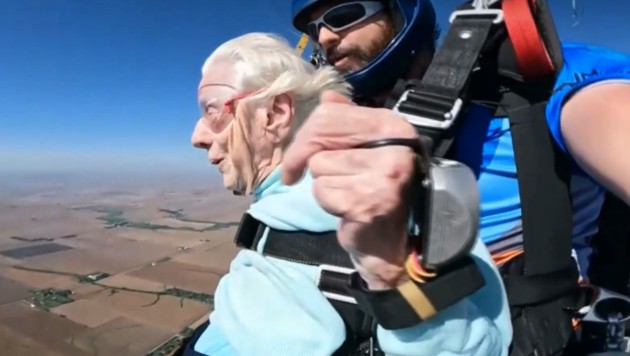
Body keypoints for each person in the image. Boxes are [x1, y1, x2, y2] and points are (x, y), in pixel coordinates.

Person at [287, 0, 630, 355]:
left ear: (399, 9)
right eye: (313, 30)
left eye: (343, 15)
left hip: (555, 336)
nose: (325, 36)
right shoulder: (344, 136)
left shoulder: (533, 84)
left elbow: (605, 114)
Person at [187, 32, 511, 355]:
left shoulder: (381, 206)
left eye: (212, 111)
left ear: (274, 114)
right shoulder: (282, 214)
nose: (197, 136)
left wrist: (394, 278)